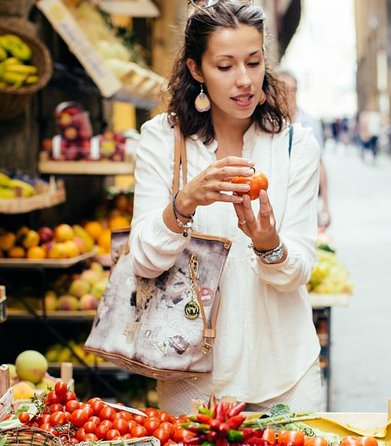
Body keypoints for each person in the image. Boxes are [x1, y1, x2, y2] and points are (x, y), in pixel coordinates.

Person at [129, 0, 322, 416]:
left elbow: (301, 270)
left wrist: (269, 244)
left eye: (254, 62)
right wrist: (183, 204)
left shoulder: (296, 146)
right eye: (225, 66)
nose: (244, 81)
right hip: (192, 373)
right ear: (196, 69)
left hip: (285, 366)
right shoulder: (163, 141)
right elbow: (142, 260)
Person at [279, 71, 331, 230]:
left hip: (306, 198)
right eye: (284, 89)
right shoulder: (269, 123)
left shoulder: (311, 122)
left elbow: (319, 163)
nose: (289, 94)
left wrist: (326, 205)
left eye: (293, 89)